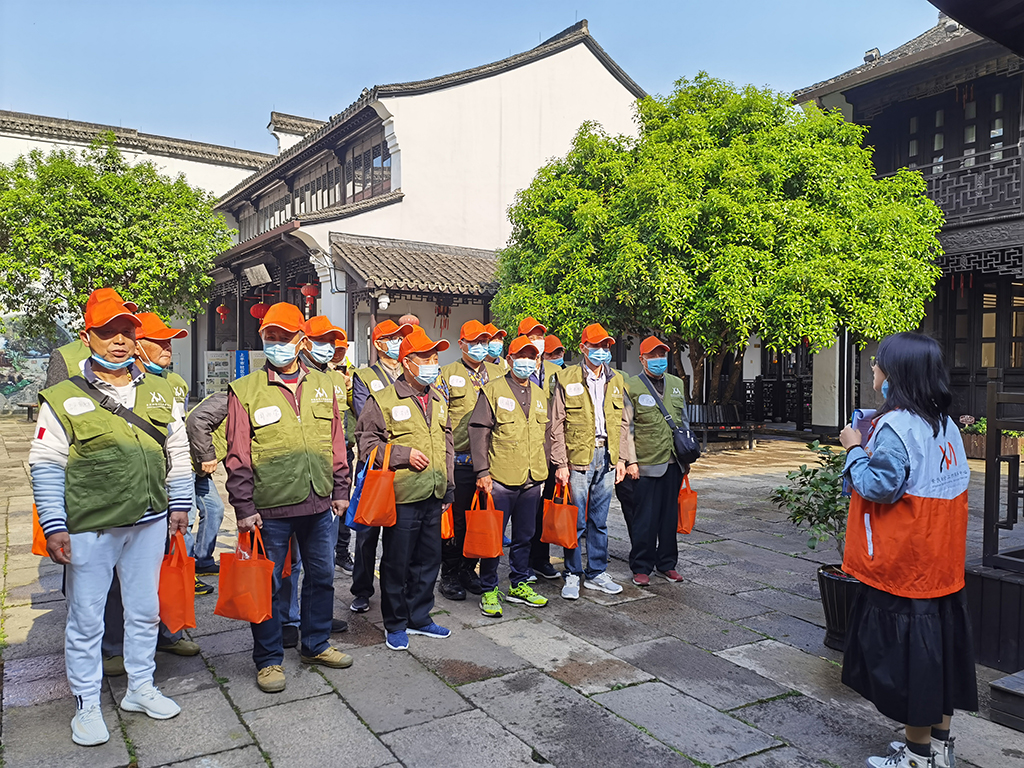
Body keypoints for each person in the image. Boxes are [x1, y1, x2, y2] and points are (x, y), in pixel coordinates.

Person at [30, 296, 190, 746]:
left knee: (145, 611)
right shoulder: (62, 398)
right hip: (91, 526)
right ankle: (86, 704)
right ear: (87, 337)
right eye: (106, 332)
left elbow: (176, 449)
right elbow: (45, 463)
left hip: (150, 520)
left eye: (126, 331)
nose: (118, 340)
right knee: (87, 619)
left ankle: (140, 686)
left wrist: (180, 503)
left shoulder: (160, 390)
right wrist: (54, 524)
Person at [839, 333, 974, 768]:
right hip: (942, 563)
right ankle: (940, 749)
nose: (874, 369)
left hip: (906, 565)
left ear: (895, 374)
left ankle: (916, 757)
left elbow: (878, 486)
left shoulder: (898, 426)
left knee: (915, 666)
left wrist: (854, 448)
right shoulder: (945, 425)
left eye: (878, 363)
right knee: (941, 659)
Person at [225, 302, 353, 694]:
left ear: (301, 341)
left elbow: (336, 442)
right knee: (268, 585)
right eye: (271, 336)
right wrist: (243, 506)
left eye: (285, 337)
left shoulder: (323, 385)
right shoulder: (246, 390)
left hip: (319, 503)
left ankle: (315, 644)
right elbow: (238, 454)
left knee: (322, 577)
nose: (278, 343)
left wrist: (341, 489)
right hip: (271, 509)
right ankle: (268, 660)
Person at [355, 326, 454, 651]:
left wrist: (448, 487)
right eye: (425, 358)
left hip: (434, 493)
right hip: (401, 496)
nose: (433, 364)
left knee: (429, 561)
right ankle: (396, 623)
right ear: (407, 362)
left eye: (435, 358)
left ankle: (420, 617)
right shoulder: (383, 400)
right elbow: (366, 445)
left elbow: (447, 446)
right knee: (397, 562)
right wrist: (402, 454)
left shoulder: (439, 399)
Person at [550, 323, 634, 599]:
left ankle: (597, 572)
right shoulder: (566, 378)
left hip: (606, 456)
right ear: (583, 348)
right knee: (575, 520)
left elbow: (623, 423)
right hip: (578, 458)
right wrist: (560, 463)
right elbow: (556, 423)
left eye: (605, 346)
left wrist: (621, 458)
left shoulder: (616, 379)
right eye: (596, 346)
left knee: (599, 520)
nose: (602, 350)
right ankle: (572, 573)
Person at [469, 336, 552, 616]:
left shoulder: (540, 394)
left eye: (532, 357)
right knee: (493, 537)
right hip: (500, 477)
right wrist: (482, 471)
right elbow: (479, 431)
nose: (526, 362)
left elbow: (546, 435)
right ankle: (489, 588)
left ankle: (519, 582)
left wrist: (544, 469)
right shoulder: (492, 390)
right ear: (510, 359)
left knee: (525, 535)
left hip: (532, 478)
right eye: (521, 356)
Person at [134, 313, 214, 596]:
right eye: (159, 342)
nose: (167, 347)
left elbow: (180, 431)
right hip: (148, 476)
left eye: (169, 342)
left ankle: (186, 570)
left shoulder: (176, 382)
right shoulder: (129, 386)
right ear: (137, 345)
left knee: (196, 515)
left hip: (183, 465)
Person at [349, 319, 413, 613]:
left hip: (405, 467)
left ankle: (398, 586)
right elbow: (367, 417)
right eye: (392, 338)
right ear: (378, 344)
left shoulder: (411, 372)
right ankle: (362, 589)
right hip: (375, 465)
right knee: (367, 532)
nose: (397, 342)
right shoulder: (364, 376)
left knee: (401, 534)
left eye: (400, 337)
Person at [437, 320, 501, 601]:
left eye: (483, 342)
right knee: (459, 521)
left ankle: (468, 569)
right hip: (461, 461)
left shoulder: (499, 373)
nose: (479, 347)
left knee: (482, 520)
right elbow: (440, 419)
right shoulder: (447, 374)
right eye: (473, 342)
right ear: (461, 343)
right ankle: (450, 574)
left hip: (493, 460)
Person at [622, 336, 688, 586]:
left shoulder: (676, 383)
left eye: (662, 355)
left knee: (669, 517)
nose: (659, 359)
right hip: (646, 462)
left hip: (673, 461)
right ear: (642, 359)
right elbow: (626, 427)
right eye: (653, 355)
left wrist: (686, 456)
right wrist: (630, 461)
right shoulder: (631, 385)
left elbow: (683, 421)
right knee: (645, 519)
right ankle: (641, 566)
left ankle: (667, 563)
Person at [529, 334, 568, 581]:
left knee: (545, 506)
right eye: (532, 337)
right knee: (526, 509)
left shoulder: (556, 371)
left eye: (540, 336)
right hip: (526, 449)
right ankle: (521, 562)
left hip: (552, 447)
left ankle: (540, 559)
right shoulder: (513, 370)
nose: (538, 341)